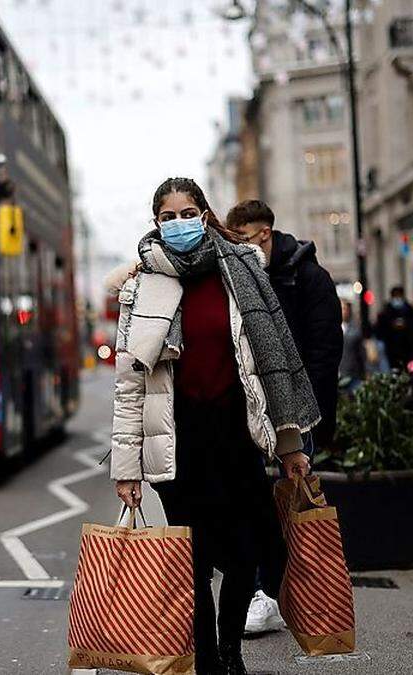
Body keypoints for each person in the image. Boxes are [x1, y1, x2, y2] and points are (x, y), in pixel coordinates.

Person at [110, 178, 318, 674]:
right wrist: (126, 469)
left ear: (204, 214)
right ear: (156, 223)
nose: (178, 222)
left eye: (187, 212)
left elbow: (276, 365)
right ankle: (207, 660)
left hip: (238, 434)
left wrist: (290, 446)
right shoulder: (143, 286)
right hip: (179, 443)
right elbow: (129, 385)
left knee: (246, 552)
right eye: (168, 216)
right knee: (196, 559)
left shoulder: (242, 269)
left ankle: (230, 651)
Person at [223, 199, 342, 635]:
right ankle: (263, 591)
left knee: (294, 505)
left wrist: (318, 419)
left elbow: (325, 354)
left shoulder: (308, 276)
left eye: (246, 240)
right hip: (254, 412)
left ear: (265, 234)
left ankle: (300, 589)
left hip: (296, 413)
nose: (241, 249)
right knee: (254, 503)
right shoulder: (243, 275)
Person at [373, 286, 413, 372]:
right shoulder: (385, 313)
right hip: (391, 349)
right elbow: (380, 331)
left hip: (409, 348)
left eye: (399, 296)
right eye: (395, 296)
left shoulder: (411, 312)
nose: (397, 299)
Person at [338, 300, 365, 396]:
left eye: (345, 309)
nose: (343, 311)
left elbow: (361, 354)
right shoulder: (331, 329)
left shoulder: (355, 331)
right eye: (341, 308)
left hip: (353, 374)